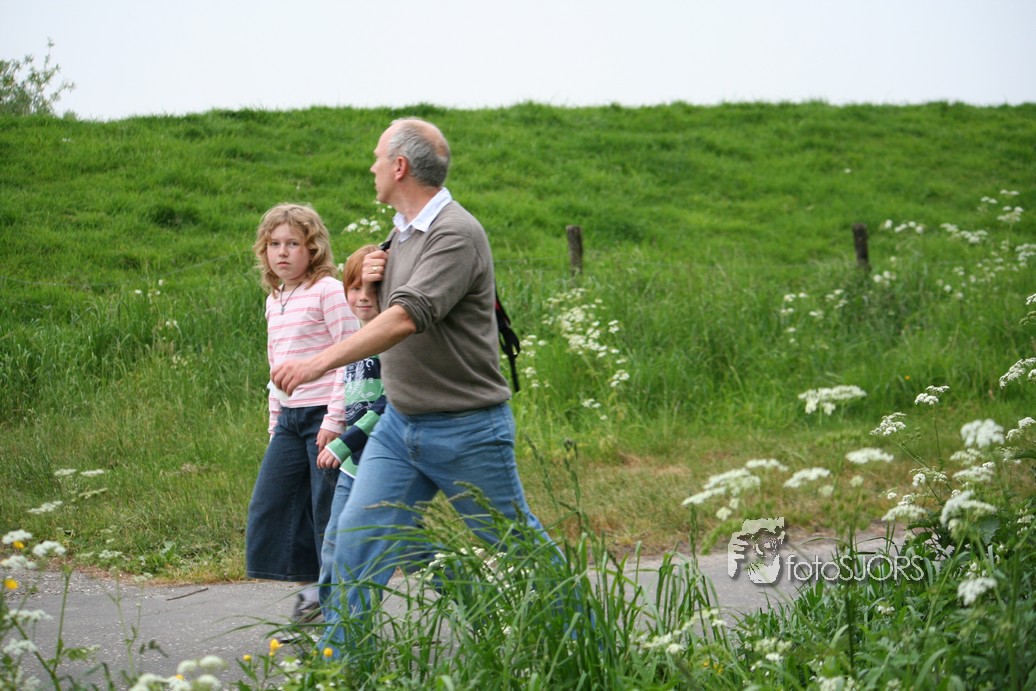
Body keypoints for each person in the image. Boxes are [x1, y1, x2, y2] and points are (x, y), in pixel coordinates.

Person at [271, 118, 558, 656]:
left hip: (467, 426)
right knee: (356, 541)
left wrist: (317, 363)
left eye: (378, 158)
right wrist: (369, 286)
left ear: (399, 167)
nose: (372, 167)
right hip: (399, 426)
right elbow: (382, 317)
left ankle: (588, 645)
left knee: (517, 544)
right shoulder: (400, 236)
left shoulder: (455, 233)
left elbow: (408, 317)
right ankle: (344, 666)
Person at [246, 203, 359, 625]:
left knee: (324, 510)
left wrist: (335, 420)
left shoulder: (328, 291)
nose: (283, 252)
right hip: (290, 421)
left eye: (293, 243)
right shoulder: (275, 299)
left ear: (313, 248)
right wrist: (275, 419)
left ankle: (335, 606)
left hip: (323, 417)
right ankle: (310, 591)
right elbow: (277, 366)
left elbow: (350, 354)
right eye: (274, 244)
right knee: (273, 504)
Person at [314, 244, 387, 616]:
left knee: (405, 553)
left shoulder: (392, 343)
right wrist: (334, 424)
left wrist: (346, 442)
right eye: (355, 287)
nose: (363, 297)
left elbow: (388, 406)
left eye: (373, 290)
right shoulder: (353, 343)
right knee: (334, 545)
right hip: (351, 467)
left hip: (383, 464)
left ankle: (480, 607)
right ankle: (335, 632)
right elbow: (347, 392)